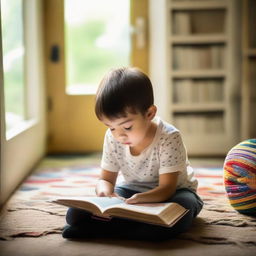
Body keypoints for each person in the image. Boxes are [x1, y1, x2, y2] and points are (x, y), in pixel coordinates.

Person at [62, 67, 203, 241]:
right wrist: (105, 193)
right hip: (131, 192)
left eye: (127, 127)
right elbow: (105, 179)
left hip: (175, 193)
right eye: (111, 127)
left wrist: (140, 200)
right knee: (74, 214)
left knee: (181, 212)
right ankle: (135, 230)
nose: (119, 135)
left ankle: (103, 230)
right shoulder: (113, 138)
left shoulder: (169, 137)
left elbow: (167, 188)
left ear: (150, 113)